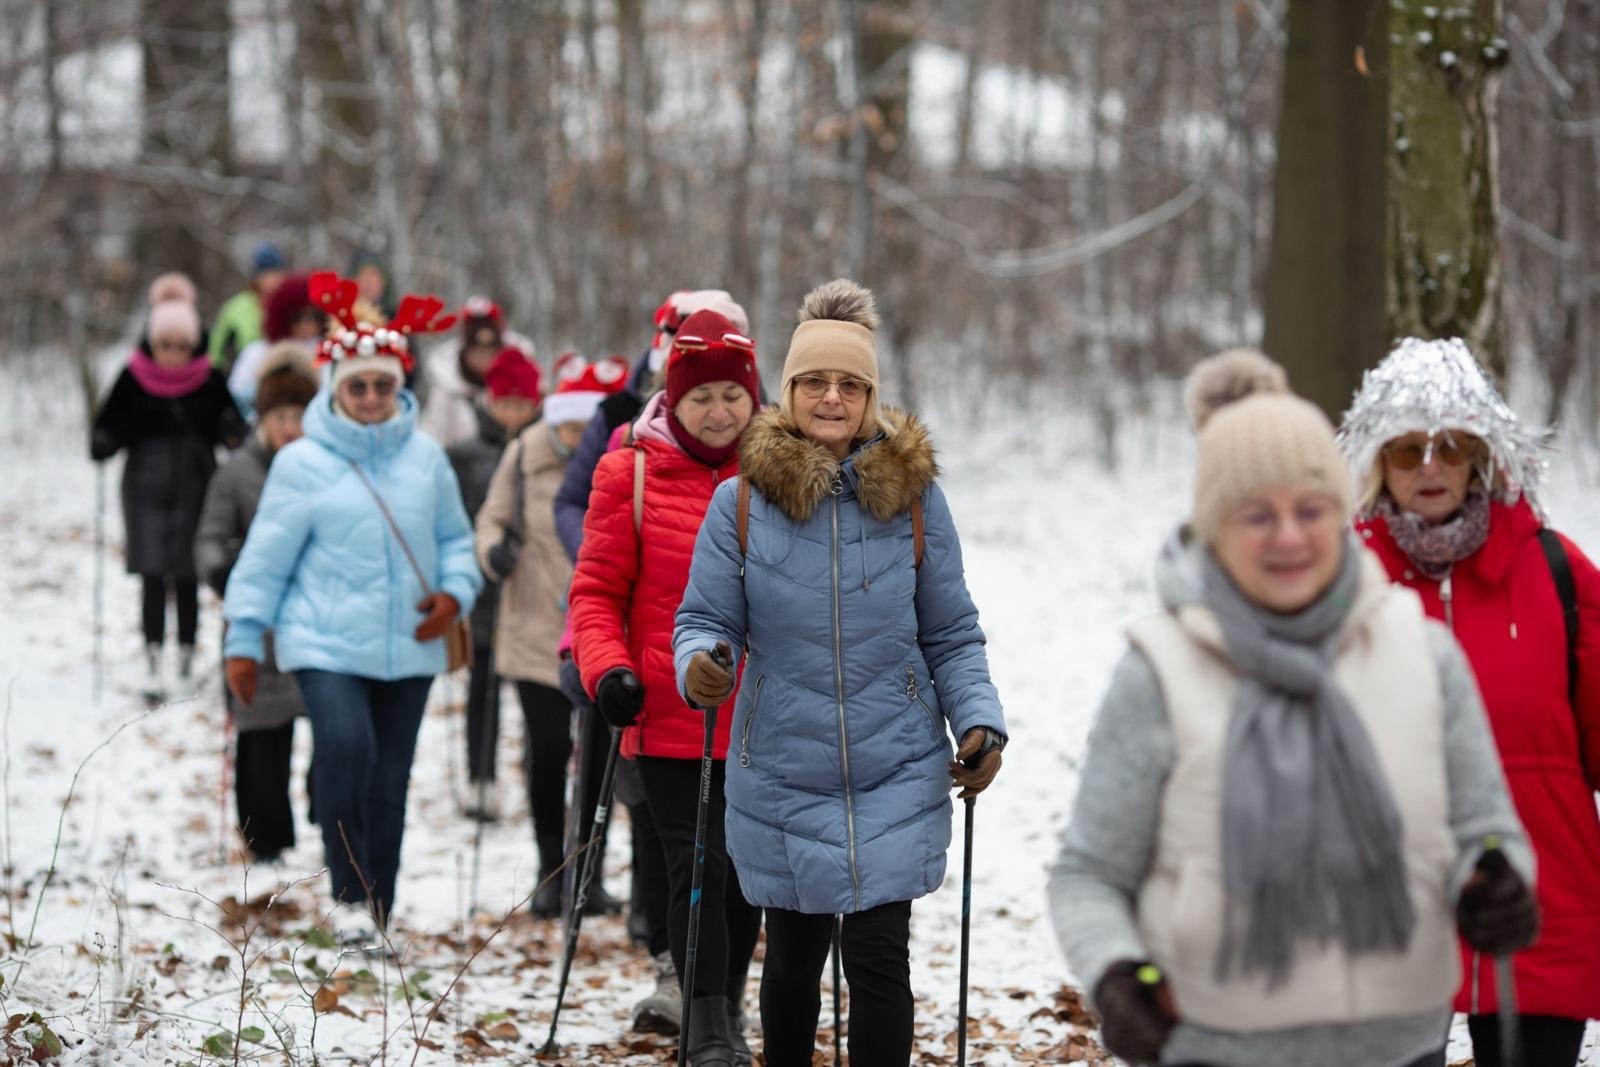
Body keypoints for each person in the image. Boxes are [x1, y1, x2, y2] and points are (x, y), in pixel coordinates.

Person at [1048, 349, 1537, 1067]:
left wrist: (1498, 880)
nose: (1288, 535)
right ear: (1215, 526)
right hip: (1216, 1047)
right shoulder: (1159, 668)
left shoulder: (1421, 653)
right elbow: (1088, 872)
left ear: (1341, 514)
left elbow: (1489, 831)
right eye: (1257, 514)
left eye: (1310, 509)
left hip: (1400, 1048)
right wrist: (1118, 973)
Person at [672, 279, 1006, 1067]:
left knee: (880, 959)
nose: (832, 396)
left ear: (869, 397)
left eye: (849, 384)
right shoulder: (740, 503)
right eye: (815, 382)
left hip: (894, 762)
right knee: (790, 959)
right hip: (784, 766)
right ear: (788, 392)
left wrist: (981, 722)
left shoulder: (916, 499)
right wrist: (703, 667)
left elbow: (952, 630)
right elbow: (705, 621)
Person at [1339, 336, 1600, 1067]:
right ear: (1376, 459)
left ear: (1481, 454)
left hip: (1537, 903)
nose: (1429, 465)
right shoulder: (1339, 584)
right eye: (1406, 447)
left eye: (1451, 445)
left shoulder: (1554, 570)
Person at [222, 271, 479, 943]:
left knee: (389, 778)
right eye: (357, 386)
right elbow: (264, 560)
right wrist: (244, 639)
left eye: (382, 385)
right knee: (346, 746)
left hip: (410, 644)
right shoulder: (303, 462)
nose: (370, 397)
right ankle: (346, 892)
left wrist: (455, 594)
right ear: (336, 388)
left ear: (400, 386)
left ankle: (376, 905)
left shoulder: (426, 458)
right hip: (324, 640)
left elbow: (457, 540)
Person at [569, 310, 763, 1066]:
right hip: (665, 704)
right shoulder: (631, 470)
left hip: (761, 713)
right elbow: (593, 593)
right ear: (671, 402)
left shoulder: (783, 470)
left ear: (753, 397)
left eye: (732, 395)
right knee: (697, 862)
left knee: (746, 869)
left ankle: (729, 999)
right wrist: (607, 670)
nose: (718, 412)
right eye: (700, 397)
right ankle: (706, 1022)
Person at [475, 355, 629, 915]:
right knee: (548, 750)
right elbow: (491, 518)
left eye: (582, 426)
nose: (573, 436)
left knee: (596, 758)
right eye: (566, 424)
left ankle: (588, 871)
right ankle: (549, 870)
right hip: (533, 629)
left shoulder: (616, 455)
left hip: (598, 633)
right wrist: (494, 553)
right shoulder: (523, 456)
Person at [92, 274, 247, 701]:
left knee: (188, 574)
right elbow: (106, 428)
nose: (174, 355)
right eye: (166, 344)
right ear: (152, 342)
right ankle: (153, 654)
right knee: (152, 575)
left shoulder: (211, 380)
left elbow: (232, 431)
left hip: (197, 486)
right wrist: (105, 441)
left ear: (195, 343)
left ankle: (184, 654)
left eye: (182, 345)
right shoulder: (133, 377)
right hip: (145, 487)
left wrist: (234, 431)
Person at [194, 344, 317, 863]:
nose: (289, 427)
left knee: (311, 729)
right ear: (262, 418)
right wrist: (224, 568)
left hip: (309, 619)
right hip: (254, 624)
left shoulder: (321, 469)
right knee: (259, 736)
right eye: (280, 417)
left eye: (298, 416)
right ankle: (263, 837)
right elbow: (209, 538)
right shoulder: (237, 473)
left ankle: (308, 814)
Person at [446, 347, 543, 823]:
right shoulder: (464, 455)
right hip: (485, 588)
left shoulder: (546, 447)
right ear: (489, 402)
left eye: (521, 404)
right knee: (482, 688)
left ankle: (531, 775)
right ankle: (479, 777)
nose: (512, 413)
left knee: (534, 695)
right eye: (503, 403)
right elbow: (457, 517)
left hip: (532, 591)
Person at [420, 297, 536, 448]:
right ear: (464, 352)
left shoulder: (518, 389)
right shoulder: (447, 392)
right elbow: (431, 436)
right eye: (477, 352)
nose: (485, 359)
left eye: (491, 352)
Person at [228, 272, 329, 416]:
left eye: (315, 316)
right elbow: (237, 398)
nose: (307, 324)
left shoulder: (329, 354)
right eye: (297, 317)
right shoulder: (257, 353)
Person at [210, 241, 288, 375]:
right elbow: (217, 350)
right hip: (245, 377)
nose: (272, 279)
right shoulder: (237, 307)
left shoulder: (290, 304)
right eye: (266, 273)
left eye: (275, 272)